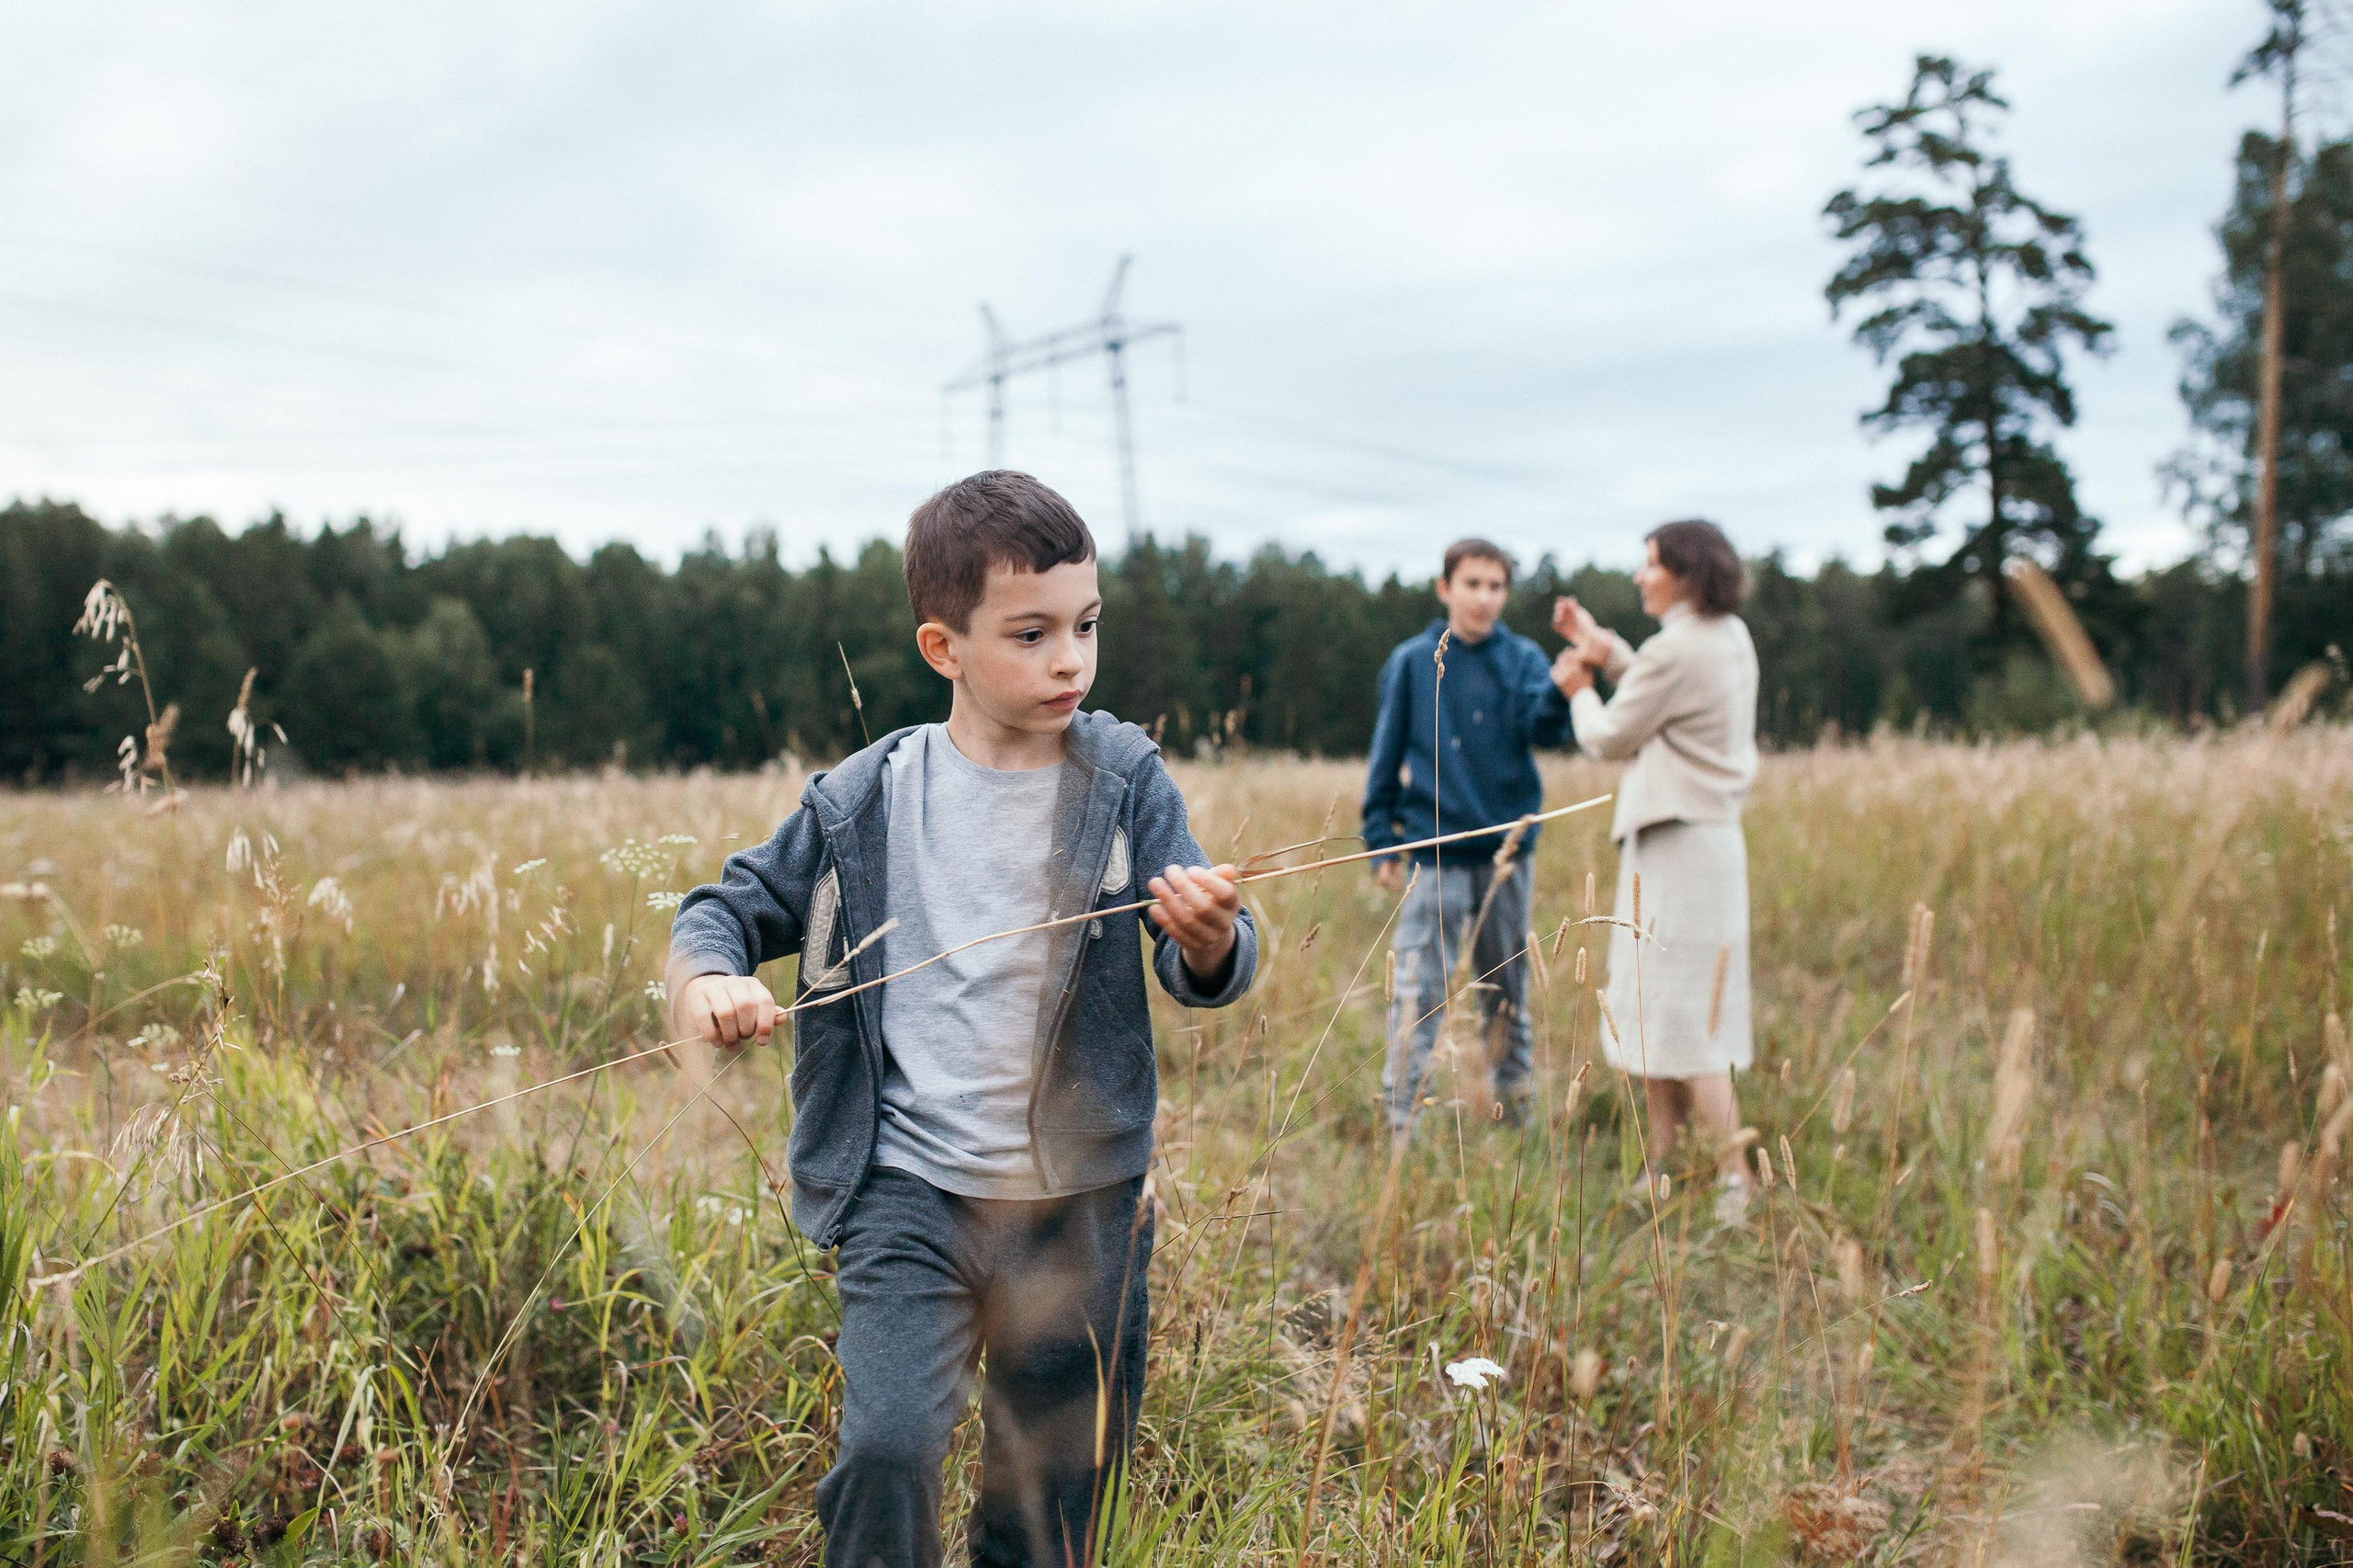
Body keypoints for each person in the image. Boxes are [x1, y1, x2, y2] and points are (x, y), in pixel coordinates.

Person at [665, 471, 1259, 1568]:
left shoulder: (1124, 781)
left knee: (1047, 1498)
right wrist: (711, 976)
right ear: (944, 647)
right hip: (910, 1191)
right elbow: (726, 910)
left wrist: (1211, 937)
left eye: (1085, 626)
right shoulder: (867, 797)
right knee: (889, 1445)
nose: (1070, 659)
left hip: (1077, 1208)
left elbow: (1204, 951)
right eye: (1030, 634)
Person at [1549, 518, 1760, 1223]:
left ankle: (1737, 1179)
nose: (1641, 576)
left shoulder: (1679, 652)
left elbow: (1611, 735)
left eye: (1651, 565)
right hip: (1709, 846)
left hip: (1674, 851)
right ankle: (1664, 1165)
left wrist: (1581, 683)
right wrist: (1602, 643)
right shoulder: (1725, 636)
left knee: (1687, 1019)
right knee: (1662, 1009)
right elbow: (1658, 679)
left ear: (1686, 574)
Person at [1362, 538, 1572, 1135]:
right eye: (1472, 584)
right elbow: (1387, 752)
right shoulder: (1412, 661)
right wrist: (1381, 836)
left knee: (1506, 990)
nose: (1484, 597)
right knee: (1419, 992)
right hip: (1435, 853)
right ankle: (1401, 1122)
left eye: (1496, 586)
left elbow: (1544, 728)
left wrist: (1561, 689)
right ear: (1445, 588)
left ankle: (1515, 1111)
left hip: (1507, 855)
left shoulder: (1525, 659)